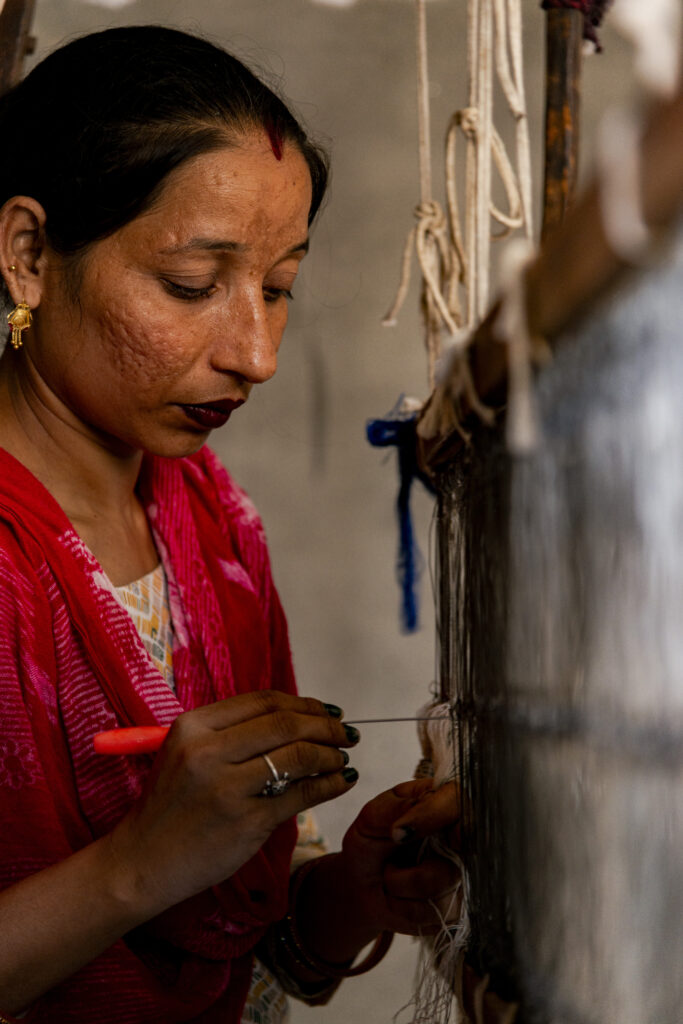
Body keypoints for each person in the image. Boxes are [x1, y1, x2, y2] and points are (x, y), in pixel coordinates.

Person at [0, 26, 460, 1023]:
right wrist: (138, 865)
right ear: (31, 254)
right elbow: (153, 883)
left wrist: (351, 895)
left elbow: (253, 946)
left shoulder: (209, 518)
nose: (257, 354)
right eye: (192, 284)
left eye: (278, 288)